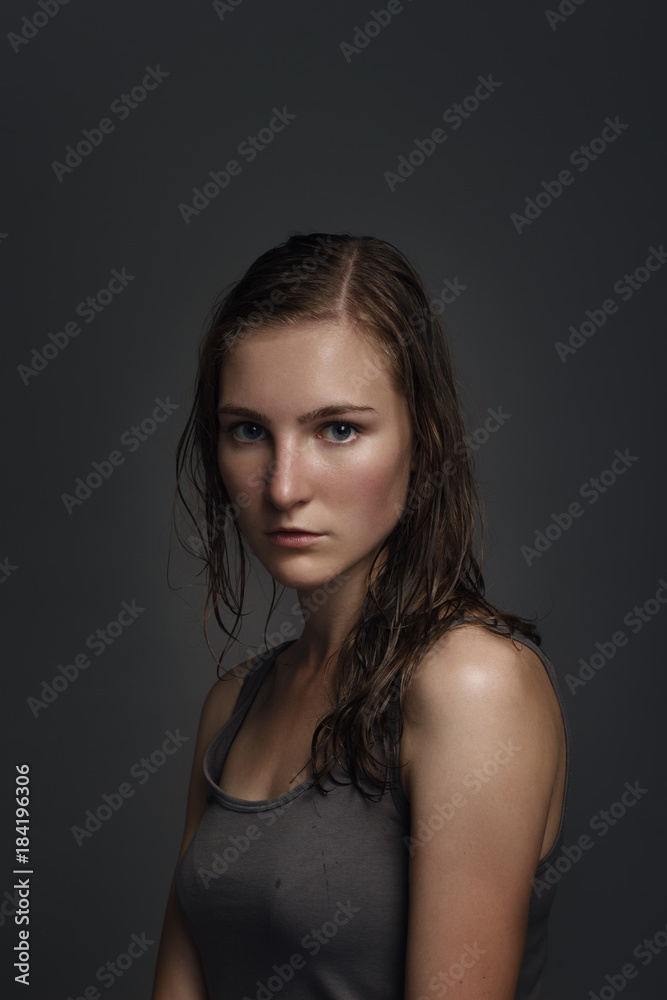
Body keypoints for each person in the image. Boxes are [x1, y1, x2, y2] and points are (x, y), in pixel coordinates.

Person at [151, 232, 570, 1000]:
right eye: (248, 430)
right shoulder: (231, 710)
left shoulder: (472, 686)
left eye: (337, 429)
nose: (282, 486)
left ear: (424, 438)